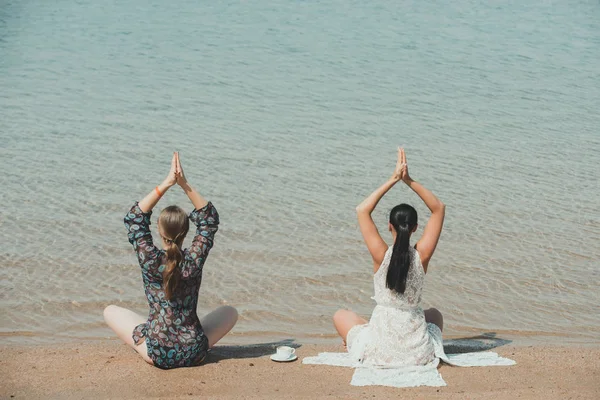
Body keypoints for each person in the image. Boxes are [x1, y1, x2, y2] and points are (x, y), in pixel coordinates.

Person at [104, 152, 238, 369]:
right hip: (194, 352)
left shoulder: (150, 259)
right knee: (230, 312)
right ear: (186, 231)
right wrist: (184, 184)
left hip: (158, 353)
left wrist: (166, 183)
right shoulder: (193, 260)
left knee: (109, 311)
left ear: (158, 230)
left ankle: (155, 331)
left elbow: (135, 218)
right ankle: (179, 335)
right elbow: (209, 220)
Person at [333, 148, 445, 366]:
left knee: (340, 315)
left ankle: (363, 335)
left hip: (379, 350)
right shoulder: (421, 256)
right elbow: (438, 208)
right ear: (415, 228)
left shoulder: (380, 255)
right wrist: (409, 181)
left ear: (389, 227)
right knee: (435, 315)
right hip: (417, 353)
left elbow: (362, 210)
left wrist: (393, 179)